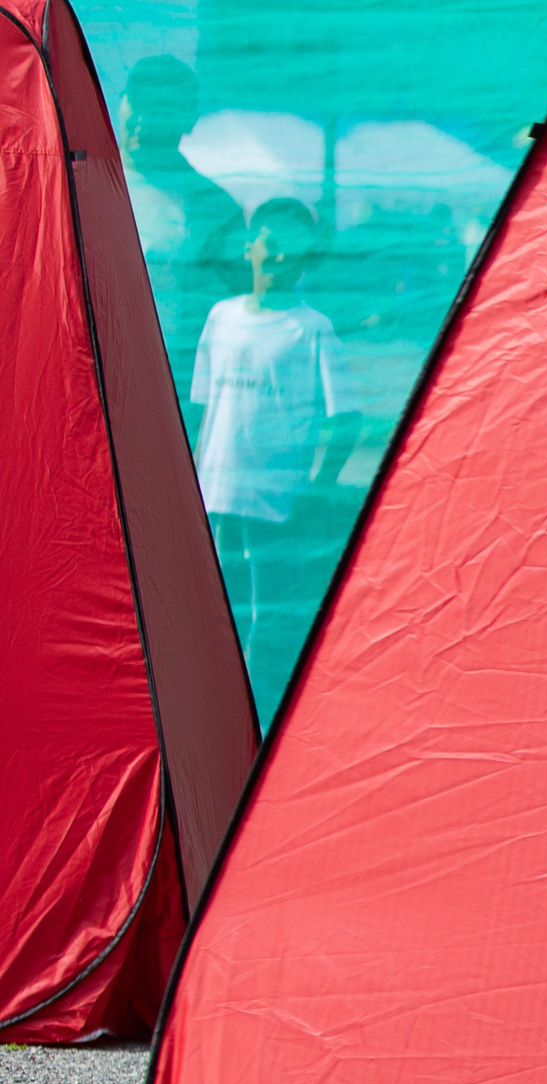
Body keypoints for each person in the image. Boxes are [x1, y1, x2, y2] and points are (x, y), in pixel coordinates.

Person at [192, 198, 361, 716]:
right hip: (215, 494)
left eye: (293, 242)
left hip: (275, 500)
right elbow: (206, 408)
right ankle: (215, 708)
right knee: (216, 605)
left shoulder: (313, 329)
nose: (280, 251)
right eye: (270, 238)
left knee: (268, 613)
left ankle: (258, 714)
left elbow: (347, 418)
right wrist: (193, 481)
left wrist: (318, 484)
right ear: (248, 249)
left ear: (308, 256)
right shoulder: (220, 318)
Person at [117, 56, 246, 422]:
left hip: (169, 392)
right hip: (83, 372)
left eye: (160, 111)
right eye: (138, 106)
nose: (143, 122)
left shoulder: (214, 209)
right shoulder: (74, 183)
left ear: (187, 120)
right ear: (120, 100)